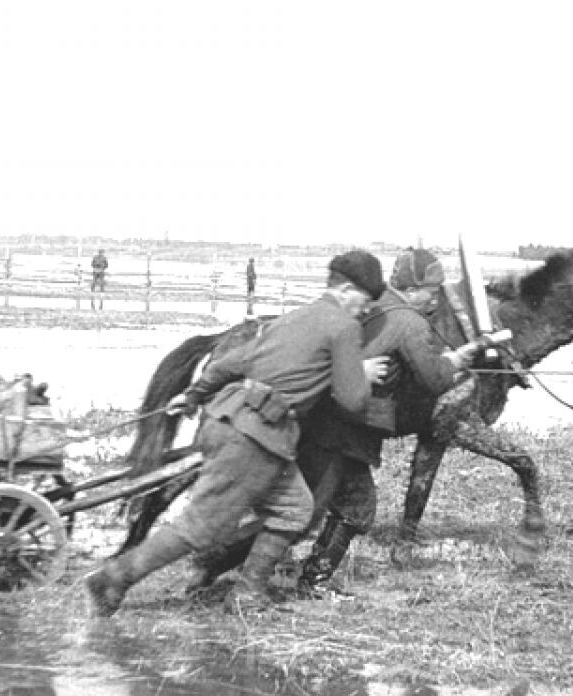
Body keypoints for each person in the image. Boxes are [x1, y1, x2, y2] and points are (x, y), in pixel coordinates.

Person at [83, 250, 389, 617]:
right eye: (365, 300)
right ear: (345, 289)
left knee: (295, 510)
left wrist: (194, 395)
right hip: (253, 439)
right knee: (201, 528)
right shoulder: (343, 327)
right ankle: (113, 579)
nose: (367, 310)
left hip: (238, 424)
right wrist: (360, 372)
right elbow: (353, 400)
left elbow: (234, 361)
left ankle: (248, 593)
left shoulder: (293, 318)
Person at [185, 247, 487, 599]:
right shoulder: (410, 323)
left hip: (321, 421)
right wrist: (457, 362)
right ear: (414, 289)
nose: (434, 300)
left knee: (313, 511)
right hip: (343, 430)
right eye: (431, 292)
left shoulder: (376, 303)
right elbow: (433, 380)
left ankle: (239, 568)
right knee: (341, 510)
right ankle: (281, 576)